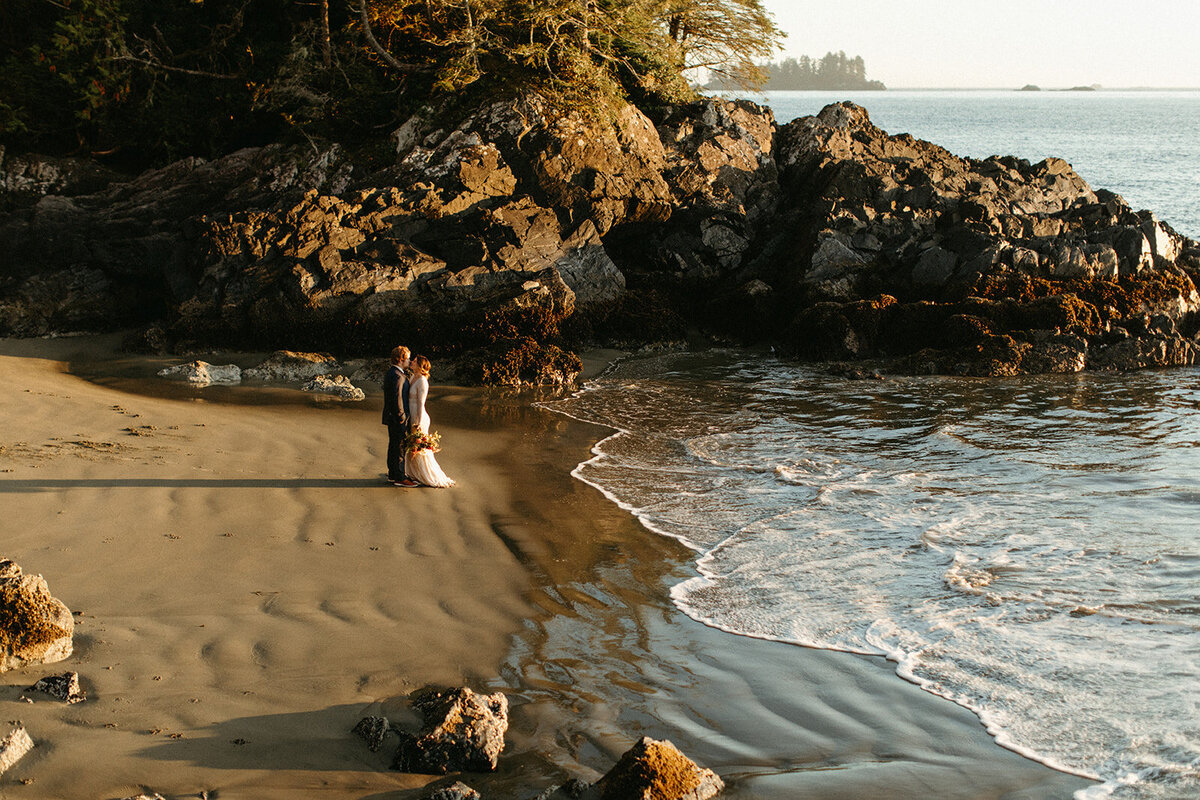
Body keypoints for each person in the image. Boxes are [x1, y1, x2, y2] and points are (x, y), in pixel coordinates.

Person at [404, 355, 455, 488]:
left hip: (419, 417)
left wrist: (419, 424)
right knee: (411, 447)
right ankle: (413, 473)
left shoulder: (422, 381)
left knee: (419, 448)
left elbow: (421, 404)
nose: (411, 362)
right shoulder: (412, 377)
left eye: (414, 361)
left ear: (420, 365)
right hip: (411, 415)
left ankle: (426, 475)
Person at [382, 346, 419, 487]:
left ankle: (393, 474)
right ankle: (399, 477)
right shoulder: (397, 375)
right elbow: (397, 398)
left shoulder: (394, 372)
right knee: (399, 447)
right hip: (397, 417)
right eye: (408, 358)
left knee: (394, 445)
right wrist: (402, 417)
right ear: (401, 359)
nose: (409, 361)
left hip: (393, 417)